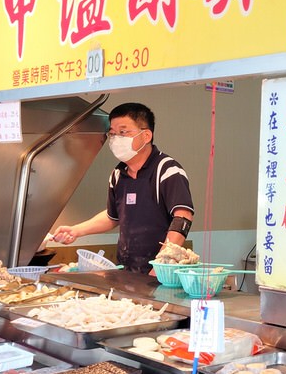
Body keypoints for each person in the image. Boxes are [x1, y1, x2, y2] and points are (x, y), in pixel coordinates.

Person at [52, 102, 195, 273]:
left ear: (146, 135)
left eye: (123, 132)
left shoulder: (167, 170)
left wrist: (161, 265)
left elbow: (183, 217)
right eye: (112, 133)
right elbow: (113, 216)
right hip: (126, 271)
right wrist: (76, 230)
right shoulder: (117, 175)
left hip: (161, 273)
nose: (115, 139)